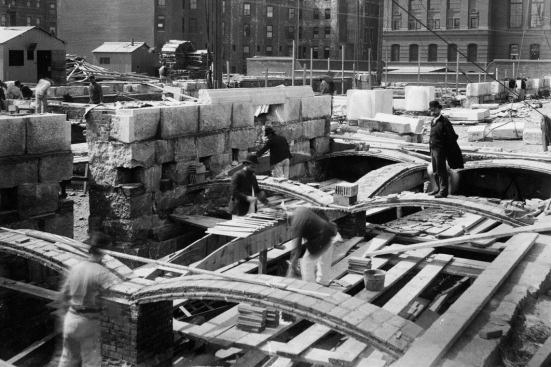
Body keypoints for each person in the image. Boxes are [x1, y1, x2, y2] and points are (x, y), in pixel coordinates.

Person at [57, 232, 119, 367]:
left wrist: (63, 316)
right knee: (91, 361)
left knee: (67, 360)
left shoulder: (75, 268)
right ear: (104, 251)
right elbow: (114, 300)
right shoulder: (103, 273)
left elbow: (63, 294)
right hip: (88, 322)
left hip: (71, 319)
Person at [288, 207, 341, 286]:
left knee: (306, 263)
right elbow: (319, 211)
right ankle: (323, 281)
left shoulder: (296, 224)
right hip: (328, 232)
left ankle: (309, 286)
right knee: (325, 257)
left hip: (319, 238)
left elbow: (297, 248)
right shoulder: (301, 210)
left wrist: (292, 266)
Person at [428, 100, 463, 198]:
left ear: (439, 109)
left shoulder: (445, 122)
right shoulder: (433, 121)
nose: (433, 112)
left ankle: (443, 192)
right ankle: (437, 189)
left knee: (441, 170)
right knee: (435, 170)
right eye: (431, 110)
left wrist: (447, 149)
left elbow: (452, 137)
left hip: (440, 150)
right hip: (433, 149)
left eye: (434, 110)